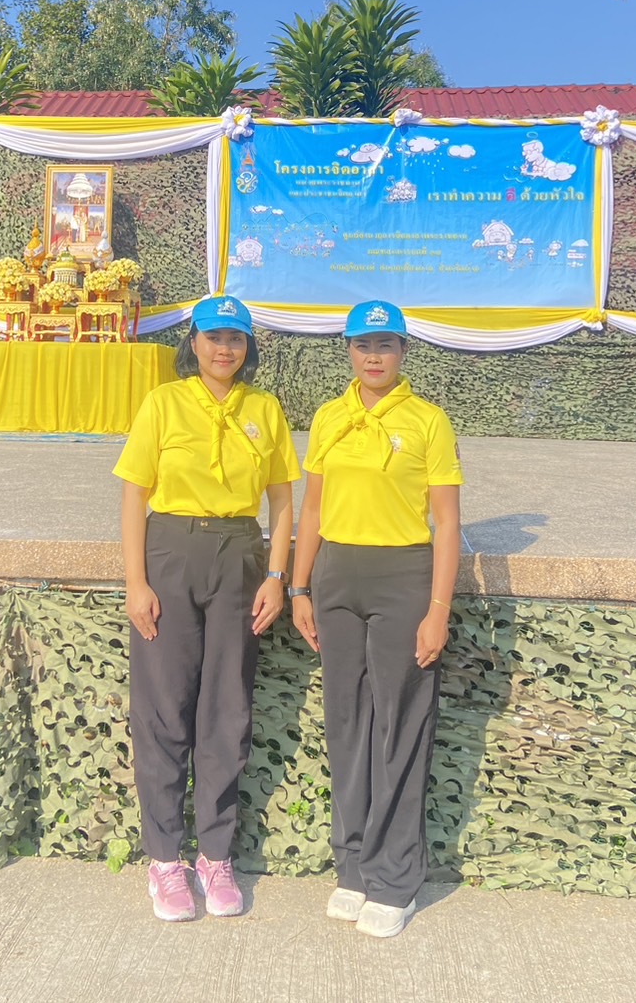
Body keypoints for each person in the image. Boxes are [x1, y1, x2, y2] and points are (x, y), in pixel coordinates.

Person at [113, 294, 300, 922]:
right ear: (192, 343)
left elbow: (282, 501)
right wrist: (136, 582)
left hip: (239, 557)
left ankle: (215, 856)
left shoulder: (264, 409)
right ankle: (165, 860)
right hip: (171, 551)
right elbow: (134, 496)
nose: (225, 348)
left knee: (226, 708)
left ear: (249, 347)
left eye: (236, 338)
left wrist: (276, 576)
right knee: (164, 709)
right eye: (214, 337)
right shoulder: (163, 403)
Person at [289, 300, 463, 939]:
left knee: (398, 723)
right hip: (336, 577)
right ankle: (354, 866)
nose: (373, 356)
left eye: (385, 345)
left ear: (403, 351)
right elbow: (312, 510)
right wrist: (299, 586)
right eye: (363, 344)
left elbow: (446, 522)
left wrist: (437, 609)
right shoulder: (329, 416)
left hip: (401, 577)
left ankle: (395, 879)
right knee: (346, 720)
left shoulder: (427, 421)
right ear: (348, 350)